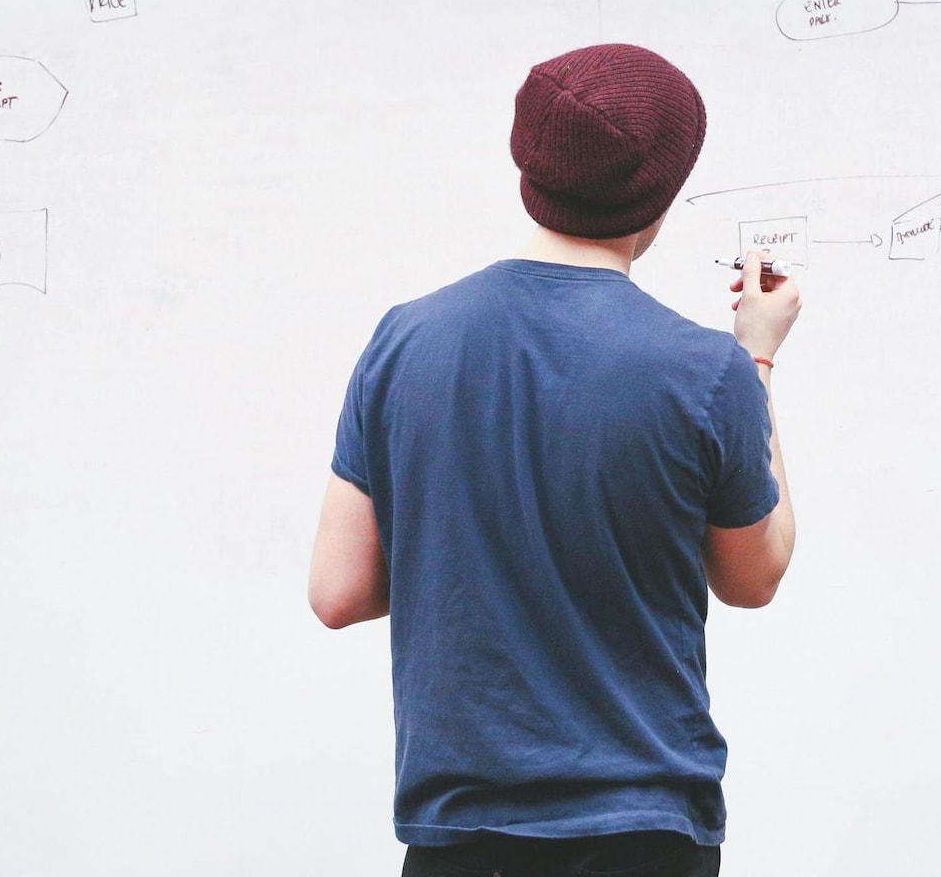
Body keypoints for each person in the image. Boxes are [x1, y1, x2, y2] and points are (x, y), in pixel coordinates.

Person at [307, 43, 800, 877]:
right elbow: (753, 577)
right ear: (664, 192)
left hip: (459, 839)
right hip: (642, 834)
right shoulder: (704, 371)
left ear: (527, 165)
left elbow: (338, 591)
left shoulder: (405, 341)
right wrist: (754, 359)